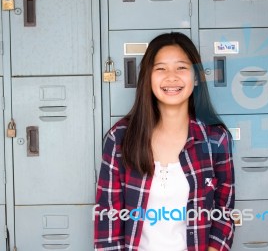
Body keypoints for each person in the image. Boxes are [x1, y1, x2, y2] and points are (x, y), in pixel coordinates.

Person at [94, 32, 235, 251]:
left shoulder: (216, 140)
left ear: (196, 77)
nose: (171, 77)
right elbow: (107, 216)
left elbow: (223, 209)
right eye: (160, 68)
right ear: (148, 77)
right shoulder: (120, 138)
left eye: (181, 67)